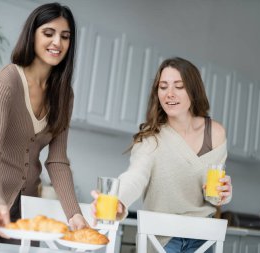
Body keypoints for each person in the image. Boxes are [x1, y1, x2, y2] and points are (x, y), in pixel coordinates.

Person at [0, 3, 88, 253]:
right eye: (48, 33)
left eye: (65, 36)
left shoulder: (64, 95)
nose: (57, 43)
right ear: (33, 35)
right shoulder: (8, 81)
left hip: (26, 204)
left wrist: (74, 214)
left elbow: (58, 160)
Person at [91, 57, 232, 253]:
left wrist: (224, 193)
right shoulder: (151, 136)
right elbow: (136, 175)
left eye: (179, 86)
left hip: (204, 236)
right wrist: (119, 200)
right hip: (164, 238)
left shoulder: (215, 133)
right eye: (163, 86)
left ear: (193, 90)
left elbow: (213, 195)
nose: (169, 94)